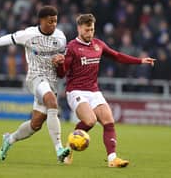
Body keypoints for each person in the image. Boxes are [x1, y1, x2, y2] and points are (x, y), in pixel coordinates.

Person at [0, 6, 70, 163]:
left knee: (35, 125)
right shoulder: (28, 34)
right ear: (41, 20)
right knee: (52, 102)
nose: (53, 25)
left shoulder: (61, 37)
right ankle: (59, 150)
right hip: (35, 78)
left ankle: (9, 139)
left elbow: (63, 65)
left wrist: (61, 62)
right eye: (50, 21)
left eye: (55, 21)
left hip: (52, 81)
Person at [53, 14, 155, 167]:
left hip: (94, 91)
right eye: (87, 30)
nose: (90, 33)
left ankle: (112, 159)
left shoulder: (98, 44)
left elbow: (117, 56)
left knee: (109, 121)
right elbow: (61, 74)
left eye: (92, 30)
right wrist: (59, 64)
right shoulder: (72, 47)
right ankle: (70, 147)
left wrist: (140, 61)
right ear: (79, 28)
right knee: (91, 121)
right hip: (76, 91)